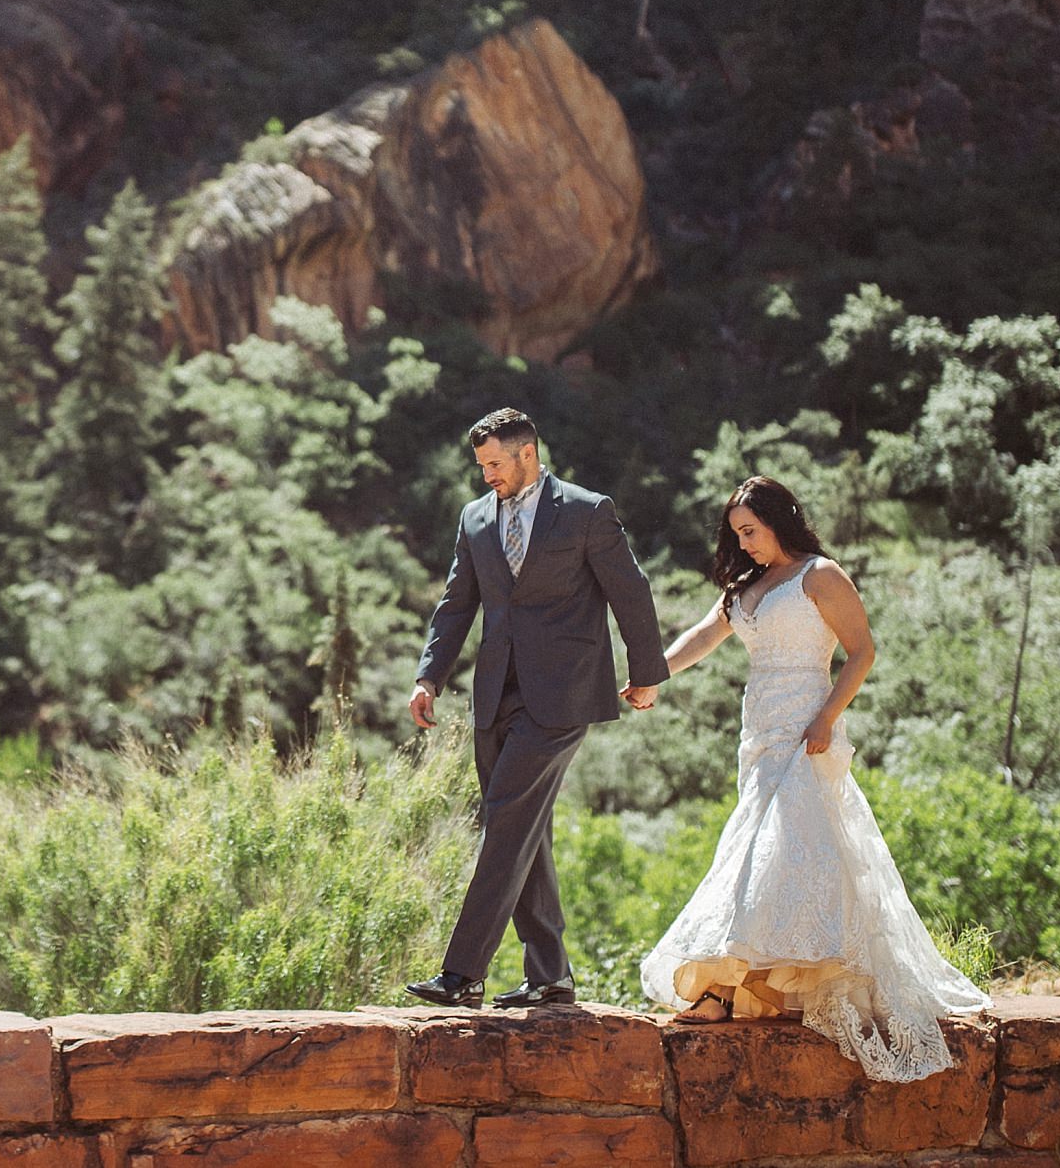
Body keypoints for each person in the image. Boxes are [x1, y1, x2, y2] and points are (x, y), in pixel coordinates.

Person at [637, 475, 989, 1082]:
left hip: (806, 732)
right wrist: (650, 675)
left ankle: (725, 989)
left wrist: (827, 717)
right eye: (736, 534)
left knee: (769, 851)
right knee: (769, 852)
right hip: (759, 738)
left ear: (779, 520)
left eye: (751, 530)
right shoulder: (744, 587)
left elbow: (862, 651)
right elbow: (704, 637)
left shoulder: (820, 576)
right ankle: (754, 983)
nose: (743, 543)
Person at [405, 408, 670, 1010]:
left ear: (527, 453)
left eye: (494, 464)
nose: (486, 476)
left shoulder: (585, 510)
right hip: (493, 694)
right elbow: (456, 605)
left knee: (504, 819)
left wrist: (647, 673)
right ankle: (550, 975)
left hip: (564, 695)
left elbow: (631, 591)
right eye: (481, 466)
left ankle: (463, 973)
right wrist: (429, 676)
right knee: (526, 830)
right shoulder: (474, 518)